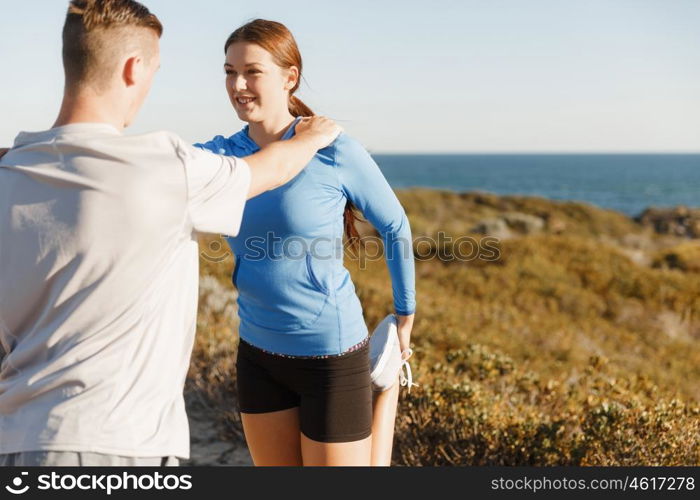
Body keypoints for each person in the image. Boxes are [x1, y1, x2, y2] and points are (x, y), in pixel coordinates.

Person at [0, 0, 341, 467]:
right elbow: (270, 169)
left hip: (13, 443)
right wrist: (311, 136)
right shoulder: (164, 169)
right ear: (133, 68)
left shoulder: (10, 171)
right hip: (118, 446)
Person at [195, 19, 417, 466]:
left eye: (252, 71)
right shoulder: (221, 156)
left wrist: (404, 313)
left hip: (330, 355)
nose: (238, 84)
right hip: (256, 353)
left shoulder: (335, 150)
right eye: (228, 71)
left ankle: (387, 386)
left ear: (289, 76)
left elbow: (395, 227)